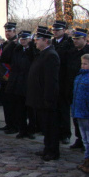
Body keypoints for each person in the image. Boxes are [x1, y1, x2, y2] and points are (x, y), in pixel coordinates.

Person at [27, 26, 60, 161]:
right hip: (38, 97)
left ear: (45, 40)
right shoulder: (42, 54)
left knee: (50, 126)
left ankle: (53, 151)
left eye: (37, 39)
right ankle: (47, 148)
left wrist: (48, 98)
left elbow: (51, 80)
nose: (35, 41)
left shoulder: (51, 55)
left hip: (46, 98)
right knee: (45, 126)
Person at [6, 30, 36, 139]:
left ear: (30, 39)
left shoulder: (33, 49)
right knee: (20, 109)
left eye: (25, 39)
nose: (23, 41)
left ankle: (31, 130)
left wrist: (32, 45)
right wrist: (12, 44)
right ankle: (22, 129)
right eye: (21, 39)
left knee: (31, 110)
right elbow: (5, 57)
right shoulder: (17, 50)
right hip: (18, 83)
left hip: (29, 83)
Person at [0, 22, 18, 134]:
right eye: (6, 31)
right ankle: (9, 123)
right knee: (6, 103)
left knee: (13, 104)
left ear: (14, 31)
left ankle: (14, 125)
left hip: (11, 76)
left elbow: (8, 58)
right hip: (3, 77)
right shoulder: (6, 43)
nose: (7, 33)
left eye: (10, 31)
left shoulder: (15, 43)